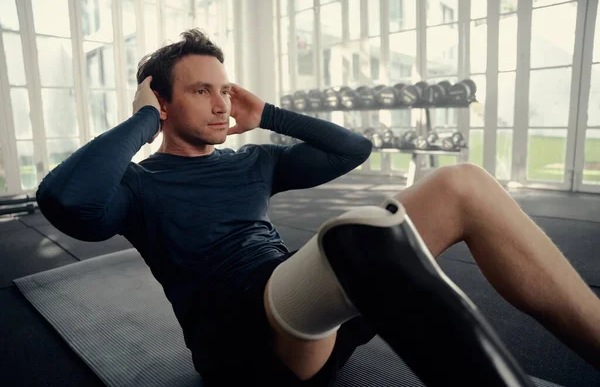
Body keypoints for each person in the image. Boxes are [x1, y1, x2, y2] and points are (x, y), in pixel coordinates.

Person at [36, 29, 600, 386]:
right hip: (245, 348)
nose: (221, 103)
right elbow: (65, 200)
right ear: (161, 101)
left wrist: (271, 116)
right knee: (354, 244)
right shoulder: (135, 185)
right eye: (201, 90)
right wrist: (142, 118)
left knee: (462, 186)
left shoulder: (252, 162)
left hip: (315, 315)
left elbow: (353, 149)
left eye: (225, 89)